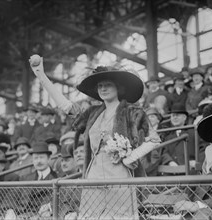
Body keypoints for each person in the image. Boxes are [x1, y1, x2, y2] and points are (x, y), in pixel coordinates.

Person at [30, 59, 160, 220]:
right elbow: (66, 106)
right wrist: (41, 76)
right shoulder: (92, 113)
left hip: (119, 173)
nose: (103, 88)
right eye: (100, 86)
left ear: (118, 87)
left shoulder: (132, 111)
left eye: (108, 85)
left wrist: (131, 158)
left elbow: (154, 140)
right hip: (93, 174)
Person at [161, 104, 196, 170]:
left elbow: (202, 149)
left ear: (184, 117)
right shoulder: (168, 136)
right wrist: (170, 161)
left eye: (178, 115)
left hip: (191, 171)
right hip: (173, 171)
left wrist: (196, 161)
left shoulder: (193, 133)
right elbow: (164, 152)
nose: (175, 117)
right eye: (173, 115)